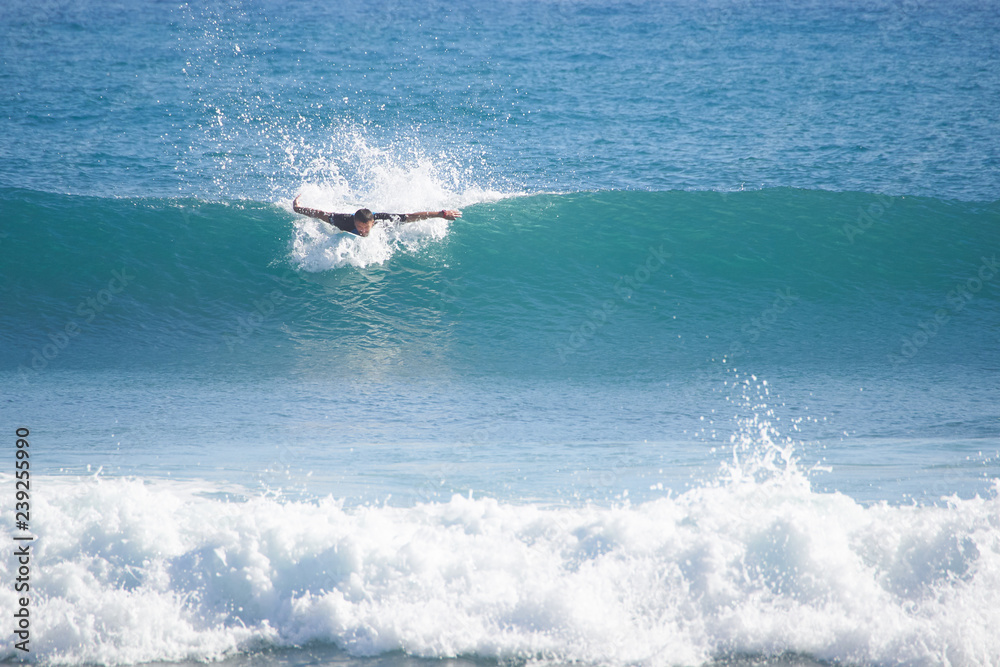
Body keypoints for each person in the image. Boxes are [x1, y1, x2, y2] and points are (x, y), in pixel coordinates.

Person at [293, 195, 462, 237]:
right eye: (359, 228)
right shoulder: (343, 221)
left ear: (372, 222)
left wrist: (441, 214)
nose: (362, 232)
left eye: (365, 228)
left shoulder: (383, 219)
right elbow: (320, 214)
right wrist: (298, 209)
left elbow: (410, 216)